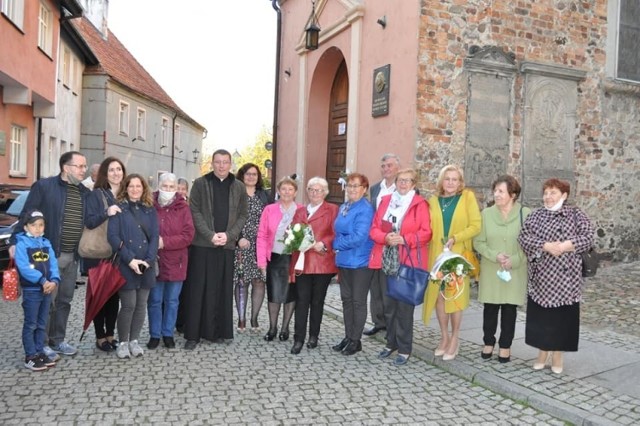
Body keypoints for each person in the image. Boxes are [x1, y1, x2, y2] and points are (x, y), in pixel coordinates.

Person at [10, 151, 89, 360]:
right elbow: (26, 215)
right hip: (47, 256)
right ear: (66, 167)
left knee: (64, 301)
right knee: (47, 301)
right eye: (80, 166)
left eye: (85, 167)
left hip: (72, 257)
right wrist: (14, 241)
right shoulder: (44, 187)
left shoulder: (83, 192)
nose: (84, 171)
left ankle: (58, 340)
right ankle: (42, 344)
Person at [518, 178, 594, 374]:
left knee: (562, 318)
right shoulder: (536, 215)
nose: (548, 197)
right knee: (542, 317)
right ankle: (543, 351)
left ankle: (558, 353)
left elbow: (588, 237)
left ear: (564, 195)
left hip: (567, 278)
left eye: (553, 193)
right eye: (546, 193)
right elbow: (523, 237)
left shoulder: (576, 214)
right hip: (542, 276)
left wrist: (565, 246)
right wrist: (546, 246)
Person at [183, 149, 247, 350]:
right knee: (198, 289)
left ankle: (219, 331)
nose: (221, 166)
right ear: (212, 163)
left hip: (226, 245)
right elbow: (194, 211)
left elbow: (243, 215)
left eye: (225, 162)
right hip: (203, 244)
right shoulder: (201, 184)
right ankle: (193, 334)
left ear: (231, 164)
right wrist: (210, 235)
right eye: (218, 162)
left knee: (222, 289)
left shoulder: (238, 186)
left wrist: (229, 235)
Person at [369, 169, 432, 365]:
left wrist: (405, 239)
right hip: (387, 258)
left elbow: (426, 232)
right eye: (400, 180)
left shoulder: (419, 204)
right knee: (388, 305)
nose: (403, 184)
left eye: (408, 181)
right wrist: (386, 237)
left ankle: (404, 348)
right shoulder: (386, 201)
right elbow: (374, 228)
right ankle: (391, 343)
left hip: (408, 259)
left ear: (414, 184)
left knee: (404, 307)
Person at [422, 165, 481, 361]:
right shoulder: (433, 201)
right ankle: (444, 337)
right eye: (447, 179)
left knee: (455, 297)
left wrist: (456, 237)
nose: (450, 183)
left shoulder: (467, 198)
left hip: (457, 256)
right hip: (437, 256)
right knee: (439, 297)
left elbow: (476, 225)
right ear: (441, 181)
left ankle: (455, 338)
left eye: (455, 179)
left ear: (460, 182)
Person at [473, 175, 530, 363]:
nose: (496, 195)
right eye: (495, 191)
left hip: (515, 269)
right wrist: (494, 255)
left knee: (509, 310)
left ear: (513, 194)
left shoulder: (526, 214)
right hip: (492, 268)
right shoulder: (486, 214)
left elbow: (530, 244)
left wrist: (514, 259)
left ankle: (505, 346)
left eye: (501, 191)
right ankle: (488, 342)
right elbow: (478, 242)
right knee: (490, 308)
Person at [107, 174, 159, 359]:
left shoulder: (150, 210)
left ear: (144, 188)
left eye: (138, 186)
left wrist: (148, 261)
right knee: (128, 305)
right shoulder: (118, 209)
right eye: (131, 186)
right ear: (126, 188)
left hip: (146, 264)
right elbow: (113, 237)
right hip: (126, 263)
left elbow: (154, 237)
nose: (135, 189)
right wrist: (130, 260)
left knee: (141, 305)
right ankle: (122, 342)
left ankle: (134, 340)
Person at [289, 177, 338, 354]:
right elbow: (292, 231)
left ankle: (313, 336)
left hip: (322, 261)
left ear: (325, 192)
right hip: (303, 261)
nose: (314, 193)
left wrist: (323, 243)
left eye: (318, 190)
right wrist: (298, 241)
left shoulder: (332, 209)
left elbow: (336, 232)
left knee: (317, 301)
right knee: (301, 301)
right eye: (311, 189)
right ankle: (298, 338)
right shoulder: (301, 211)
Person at [146, 173, 194, 349]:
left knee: (172, 301)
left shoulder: (183, 208)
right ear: (159, 186)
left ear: (176, 189)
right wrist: (153, 243)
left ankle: (168, 333)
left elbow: (188, 235)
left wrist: (165, 242)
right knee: (155, 300)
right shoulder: (149, 204)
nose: (168, 190)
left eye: (171, 187)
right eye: (164, 186)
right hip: (155, 261)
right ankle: (154, 334)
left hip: (177, 261)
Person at [83, 157, 126, 352]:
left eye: (119, 169)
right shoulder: (96, 195)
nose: (116, 173)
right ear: (104, 174)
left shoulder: (126, 195)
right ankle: (100, 337)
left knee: (113, 297)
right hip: (98, 252)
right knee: (99, 295)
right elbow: (90, 222)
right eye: (111, 170)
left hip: (118, 253)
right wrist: (107, 212)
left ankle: (111, 334)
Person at [332, 173, 375, 356]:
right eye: (349, 185)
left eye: (356, 186)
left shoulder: (365, 209)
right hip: (344, 261)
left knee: (357, 302)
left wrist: (335, 244)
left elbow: (359, 237)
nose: (352, 189)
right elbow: (338, 230)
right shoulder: (345, 206)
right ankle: (349, 336)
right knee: (346, 301)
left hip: (360, 262)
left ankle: (356, 340)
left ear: (364, 189)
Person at [256, 176, 302, 342]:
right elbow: (261, 236)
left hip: (293, 258)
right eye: (283, 189)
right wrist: (261, 262)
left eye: (290, 189)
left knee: (290, 294)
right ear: (278, 191)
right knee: (274, 294)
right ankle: (272, 327)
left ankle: (285, 328)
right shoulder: (269, 209)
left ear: (295, 192)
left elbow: (306, 235)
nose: (287, 192)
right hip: (274, 257)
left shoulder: (302, 210)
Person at [15, 210, 60, 371]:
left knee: (42, 323)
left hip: (47, 289)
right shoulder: (22, 245)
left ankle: (40, 351)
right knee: (31, 324)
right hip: (32, 289)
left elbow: (53, 263)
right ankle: (30, 355)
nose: (38, 228)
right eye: (34, 225)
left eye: (41, 225)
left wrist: (54, 280)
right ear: (26, 227)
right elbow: (24, 267)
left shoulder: (46, 243)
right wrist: (42, 280)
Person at [365, 153, 401, 337]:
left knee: (388, 286)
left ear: (397, 168)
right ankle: (378, 321)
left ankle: (390, 324)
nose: (386, 169)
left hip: (393, 242)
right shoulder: (375, 188)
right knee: (375, 285)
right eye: (384, 166)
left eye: (390, 165)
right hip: (376, 240)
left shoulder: (403, 188)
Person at [233, 163, 271, 332]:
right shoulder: (235, 194)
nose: (251, 177)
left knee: (259, 281)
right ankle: (241, 319)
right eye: (247, 174)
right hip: (241, 244)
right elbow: (230, 219)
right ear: (242, 175)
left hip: (260, 245)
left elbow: (272, 217)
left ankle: (254, 318)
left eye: (254, 174)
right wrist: (238, 238)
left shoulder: (264, 195)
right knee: (242, 282)